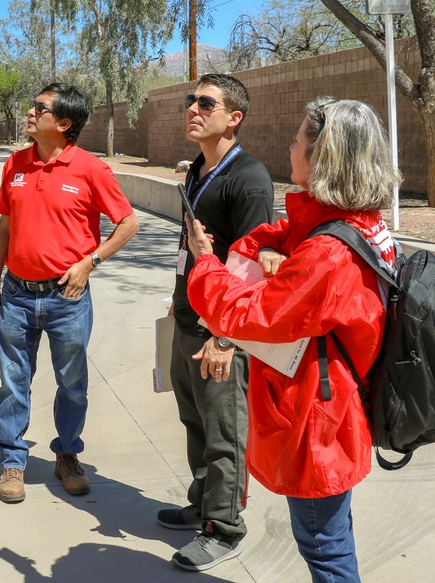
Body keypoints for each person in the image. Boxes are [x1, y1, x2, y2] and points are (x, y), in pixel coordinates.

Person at [185, 97, 399, 582]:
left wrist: (205, 264)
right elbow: (263, 238)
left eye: (300, 139)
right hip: (328, 408)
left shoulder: (326, 252)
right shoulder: (344, 225)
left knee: (325, 548)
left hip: (319, 421)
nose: (290, 145)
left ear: (324, 156)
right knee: (329, 535)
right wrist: (261, 255)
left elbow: (245, 314)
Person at [0, 83, 139, 504]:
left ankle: (67, 454)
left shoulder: (90, 169)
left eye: (40, 108)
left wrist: (91, 262)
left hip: (66, 299)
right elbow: (4, 228)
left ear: (64, 123)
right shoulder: (14, 164)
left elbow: (128, 223)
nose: (30, 112)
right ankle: (13, 460)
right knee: (14, 382)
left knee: (72, 383)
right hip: (15, 295)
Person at [160, 73, 274, 572]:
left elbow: (252, 267)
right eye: (190, 100)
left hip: (220, 333)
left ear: (234, 118)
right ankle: (203, 505)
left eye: (206, 102)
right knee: (195, 423)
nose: (192, 108)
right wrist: (176, 302)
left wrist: (226, 337)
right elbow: (193, 248)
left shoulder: (247, 178)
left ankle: (224, 529)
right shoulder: (197, 172)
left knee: (224, 434)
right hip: (189, 319)